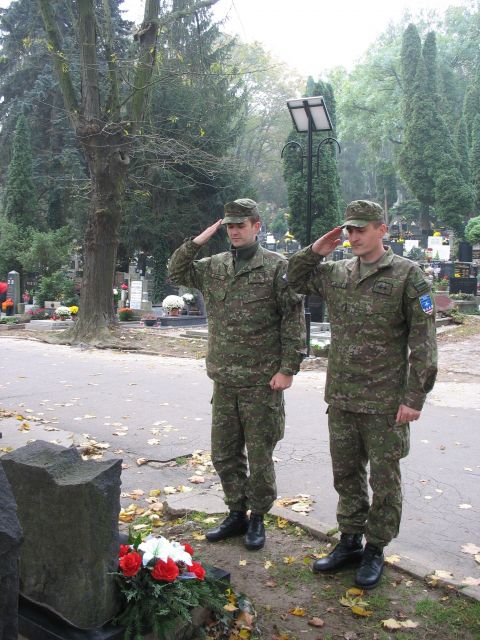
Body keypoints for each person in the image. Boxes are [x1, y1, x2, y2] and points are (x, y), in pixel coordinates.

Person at [287, 200, 437, 589]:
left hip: (385, 402)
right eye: (349, 230)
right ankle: (350, 540)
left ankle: (376, 548)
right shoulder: (336, 272)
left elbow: (424, 343)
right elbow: (293, 278)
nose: (353, 237)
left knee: (385, 481)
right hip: (342, 397)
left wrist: (414, 398)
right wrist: (316, 250)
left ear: (381, 230)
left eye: (361, 229)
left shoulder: (407, 275)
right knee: (346, 475)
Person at [168, 198, 305, 551]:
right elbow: (176, 272)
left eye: (240, 225)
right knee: (224, 454)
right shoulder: (214, 266)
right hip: (225, 378)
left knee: (259, 455)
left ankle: (257, 517)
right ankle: (236, 512)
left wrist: (288, 369)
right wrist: (198, 240)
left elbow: (293, 321)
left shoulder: (277, 267)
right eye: (229, 226)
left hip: (262, 381)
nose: (234, 231)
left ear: (256, 226)